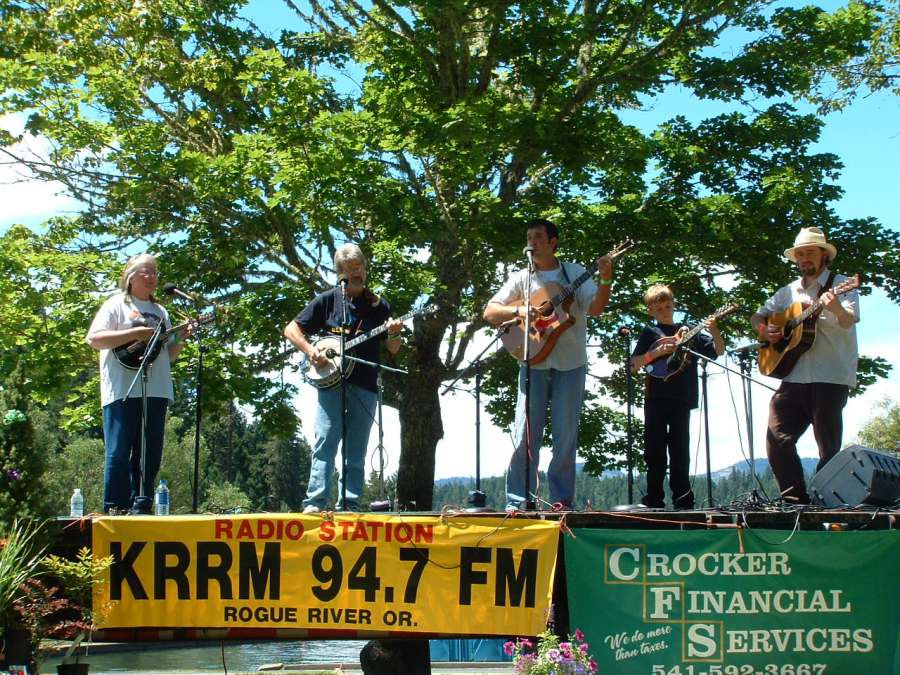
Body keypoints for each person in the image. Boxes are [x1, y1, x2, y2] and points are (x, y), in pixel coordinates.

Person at [483, 218, 613, 511]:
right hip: (532, 363)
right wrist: (520, 309)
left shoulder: (575, 272)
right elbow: (490, 311)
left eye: (538, 237)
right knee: (524, 434)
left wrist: (605, 278)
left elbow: (595, 308)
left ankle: (561, 501)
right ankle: (518, 500)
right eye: (529, 237)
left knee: (565, 437)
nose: (532, 242)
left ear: (553, 242)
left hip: (571, 364)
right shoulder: (521, 279)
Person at [285, 243, 402, 513]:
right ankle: (315, 503)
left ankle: (349, 504)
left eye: (358, 267)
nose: (355, 273)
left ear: (365, 268)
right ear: (340, 273)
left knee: (357, 446)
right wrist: (311, 350)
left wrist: (394, 332)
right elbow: (291, 329)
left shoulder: (379, 306)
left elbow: (394, 348)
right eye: (349, 270)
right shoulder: (327, 300)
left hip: (365, 384)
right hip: (330, 384)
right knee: (326, 439)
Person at [751, 227, 859, 504]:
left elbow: (848, 320)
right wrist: (765, 330)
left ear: (824, 255)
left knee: (829, 448)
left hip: (830, 376)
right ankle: (794, 500)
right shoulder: (788, 292)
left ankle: (827, 502)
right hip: (794, 375)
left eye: (810, 252)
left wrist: (833, 306)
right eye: (800, 254)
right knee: (777, 438)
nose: (805, 259)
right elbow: (757, 317)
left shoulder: (843, 284)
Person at [86, 253, 190, 515]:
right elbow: (94, 339)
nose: (152, 277)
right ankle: (115, 507)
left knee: (150, 452)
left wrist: (181, 338)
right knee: (119, 450)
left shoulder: (161, 312)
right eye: (146, 272)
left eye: (155, 272)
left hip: (156, 389)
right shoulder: (115, 305)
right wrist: (135, 332)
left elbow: (167, 357)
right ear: (130, 277)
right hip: (122, 389)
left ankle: (142, 504)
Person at [630, 285, 724, 509]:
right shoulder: (650, 333)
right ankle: (654, 499)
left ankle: (683, 499)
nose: (664, 310)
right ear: (651, 310)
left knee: (680, 450)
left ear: (674, 305)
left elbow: (718, 351)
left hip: (682, 397)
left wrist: (715, 331)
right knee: (655, 451)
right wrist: (657, 353)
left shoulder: (690, 331)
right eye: (659, 308)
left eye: (668, 306)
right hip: (656, 397)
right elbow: (633, 365)